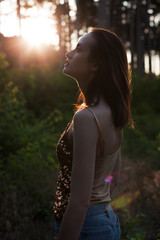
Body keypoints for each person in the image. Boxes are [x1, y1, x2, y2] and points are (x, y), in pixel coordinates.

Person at [53, 28, 133, 240]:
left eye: (78, 49)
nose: (68, 53)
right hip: (107, 222)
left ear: (95, 64)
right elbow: (112, 178)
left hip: (87, 227)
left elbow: (80, 202)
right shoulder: (114, 111)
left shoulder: (87, 117)